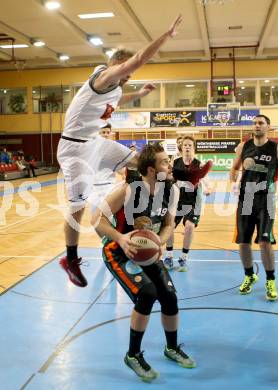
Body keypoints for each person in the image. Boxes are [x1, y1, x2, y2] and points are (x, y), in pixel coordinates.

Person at [57, 15, 183, 288]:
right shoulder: (102, 78)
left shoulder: (113, 90)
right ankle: (70, 258)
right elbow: (136, 59)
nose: (128, 76)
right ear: (116, 65)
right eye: (125, 72)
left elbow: (115, 101)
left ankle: (141, 203)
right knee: (77, 206)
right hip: (76, 148)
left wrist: (137, 95)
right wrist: (166, 35)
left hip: (95, 143)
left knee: (142, 161)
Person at [92, 143, 195, 382]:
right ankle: (133, 354)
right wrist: (120, 237)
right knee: (147, 293)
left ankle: (171, 348)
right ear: (150, 170)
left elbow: (169, 223)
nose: (170, 166)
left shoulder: (171, 191)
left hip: (147, 251)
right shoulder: (127, 190)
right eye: (164, 162)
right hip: (118, 250)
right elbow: (97, 220)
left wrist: (160, 243)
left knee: (169, 296)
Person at [230, 114, 278, 301]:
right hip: (246, 199)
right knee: (243, 241)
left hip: (267, 200)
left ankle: (270, 280)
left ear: (268, 127)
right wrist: (233, 182)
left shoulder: (277, 149)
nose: (257, 126)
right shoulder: (243, 146)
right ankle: (249, 275)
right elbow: (233, 169)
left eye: (261, 123)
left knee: (265, 241)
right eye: (255, 123)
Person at [164, 136, 212, 272]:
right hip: (177, 201)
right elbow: (169, 177)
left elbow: (206, 179)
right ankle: (168, 256)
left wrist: (208, 188)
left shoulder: (199, 164)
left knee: (189, 227)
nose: (187, 147)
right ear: (181, 148)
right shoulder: (175, 162)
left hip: (193, 202)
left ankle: (183, 258)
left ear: (193, 148)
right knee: (170, 226)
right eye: (185, 145)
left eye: (190, 145)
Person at [88, 123, 125, 214]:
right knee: (94, 216)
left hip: (109, 187)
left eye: (108, 132)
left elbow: (121, 171)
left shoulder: (114, 150)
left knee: (109, 215)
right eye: (103, 132)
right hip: (94, 188)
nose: (105, 134)